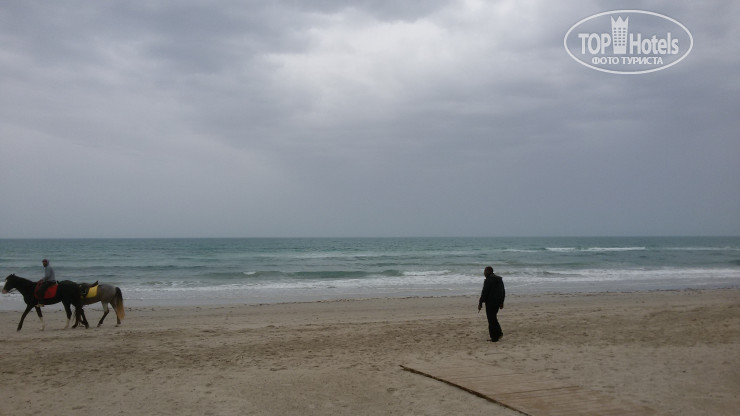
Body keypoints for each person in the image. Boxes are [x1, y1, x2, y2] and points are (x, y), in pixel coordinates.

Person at [478, 266, 505, 342]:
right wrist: (501, 302)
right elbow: (502, 291)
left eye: (485, 271)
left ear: (489, 271)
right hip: (497, 302)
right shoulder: (499, 279)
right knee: (493, 318)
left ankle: (495, 337)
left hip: (490, 303)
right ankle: (498, 334)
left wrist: (480, 303)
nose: (484, 273)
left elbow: (484, 293)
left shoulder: (488, 280)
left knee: (491, 320)